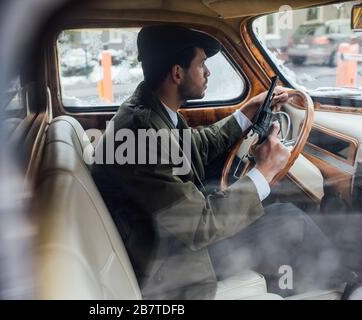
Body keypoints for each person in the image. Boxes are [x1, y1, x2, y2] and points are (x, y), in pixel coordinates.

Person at [91, 25, 358, 299]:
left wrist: (246, 112)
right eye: (202, 64)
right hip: (171, 264)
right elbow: (197, 225)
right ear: (177, 73)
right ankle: (350, 286)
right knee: (291, 220)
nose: (208, 73)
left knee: (275, 211)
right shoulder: (142, 134)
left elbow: (199, 146)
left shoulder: (153, 112)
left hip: (167, 237)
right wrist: (264, 172)